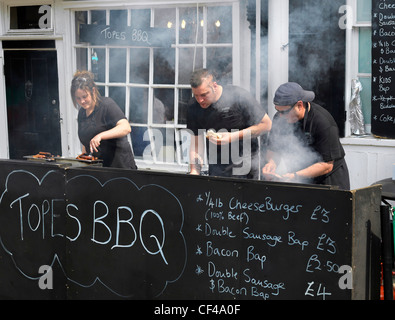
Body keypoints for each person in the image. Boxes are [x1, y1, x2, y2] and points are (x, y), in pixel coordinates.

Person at [262, 82, 350, 190]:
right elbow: (273, 149)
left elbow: (326, 165)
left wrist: (296, 175)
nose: (280, 115)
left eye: (284, 112)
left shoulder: (322, 122)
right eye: (277, 110)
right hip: (298, 177)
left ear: (299, 105)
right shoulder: (279, 118)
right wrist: (272, 163)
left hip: (328, 179)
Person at [187, 69, 272, 179]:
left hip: (246, 171)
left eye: (204, 94)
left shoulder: (239, 96)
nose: (200, 100)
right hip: (216, 172)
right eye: (196, 95)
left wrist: (233, 136)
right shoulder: (193, 106)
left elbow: (266, 125)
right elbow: (196, 144)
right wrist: (194, 172)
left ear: (215, 86)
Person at [70, 70, 137, 169]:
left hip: (120, 166)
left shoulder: (107, 105)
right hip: (99, 169)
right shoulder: (82, 113)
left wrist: (100, 136)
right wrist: (83, 160)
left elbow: (126, 127)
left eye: (85, 96)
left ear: (93, 91)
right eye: (78, 98)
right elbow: (86, 142)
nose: (82, 101)